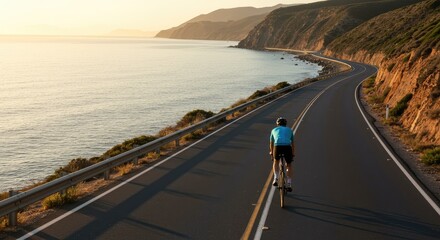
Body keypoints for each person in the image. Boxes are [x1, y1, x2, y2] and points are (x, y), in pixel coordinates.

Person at [269, 117, 295, 192]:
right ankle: (289, 184)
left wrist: (271, 151)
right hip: (287, 147)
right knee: (289, 164)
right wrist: (293, 153)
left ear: (277, 124)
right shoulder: (290, 130)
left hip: (277, 146)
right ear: (285, 124)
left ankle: (275, 178)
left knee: (276, 161)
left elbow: (271, 143)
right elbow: (293, 144)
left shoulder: (273, 130)